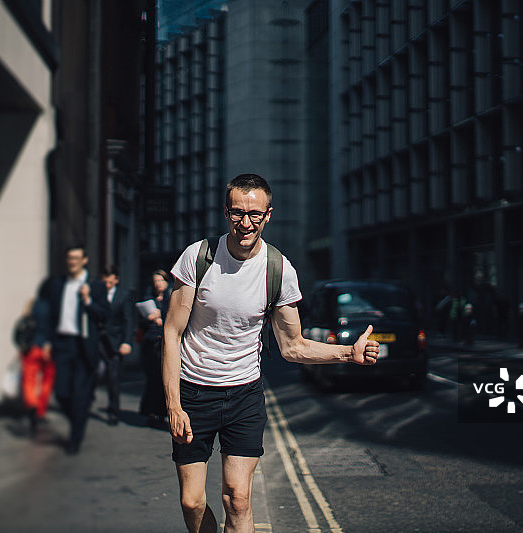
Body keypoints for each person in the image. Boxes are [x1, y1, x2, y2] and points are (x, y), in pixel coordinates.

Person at [162, 174, 380, 533]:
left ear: (268, 215)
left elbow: (292, 346)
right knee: (192, 501)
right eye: (237, 213)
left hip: (243, 395)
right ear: (226, 212)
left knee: (238, 498)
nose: (245, 223)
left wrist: (347, 353)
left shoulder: (279, 270)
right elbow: (171, 333)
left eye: (254, 214)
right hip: (194, 392)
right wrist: (173, 405)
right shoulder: (198, 257)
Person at [39, 244, 110, 455]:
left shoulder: (95, 286)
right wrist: (46, 341)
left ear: (84, 260)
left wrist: (88, 301)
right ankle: (78, 417)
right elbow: (50, 314)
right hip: (62, 343)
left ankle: (75, 438)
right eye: (70, 258)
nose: (72, 262)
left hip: (83, 345)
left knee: (79, 394)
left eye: (76, 258)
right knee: (61, 393)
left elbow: (103, 314)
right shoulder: (58, 284)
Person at [99, 265, 134, 426]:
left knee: (113, 377)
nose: (107, 284)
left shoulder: (124, 295)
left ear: (116, 280)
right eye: (105, 281)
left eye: (110, 282)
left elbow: (128, 320)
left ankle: (114, 411)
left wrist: (126, 342)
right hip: (98, 340)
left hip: (115, 342)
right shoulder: (97, 294)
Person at [139, 269, 172, 426]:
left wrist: (162, 318)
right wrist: (149, 318)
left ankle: (163, 412)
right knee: (152, 378)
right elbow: (141, 322)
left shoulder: (171, 297)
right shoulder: (149, 298)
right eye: (155, 281)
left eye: (160, 281)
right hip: (151, 342)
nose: (158, 284)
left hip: (165, 343)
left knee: (163, 379)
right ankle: (151, 411)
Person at [20, 298, 56, 432]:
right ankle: (41, 411)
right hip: (48, 349)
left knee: (29, 380)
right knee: (47, 381)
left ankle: (32, 405)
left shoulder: (31, 305)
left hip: (31, 348)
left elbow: (24, 324)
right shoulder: (54, 305)